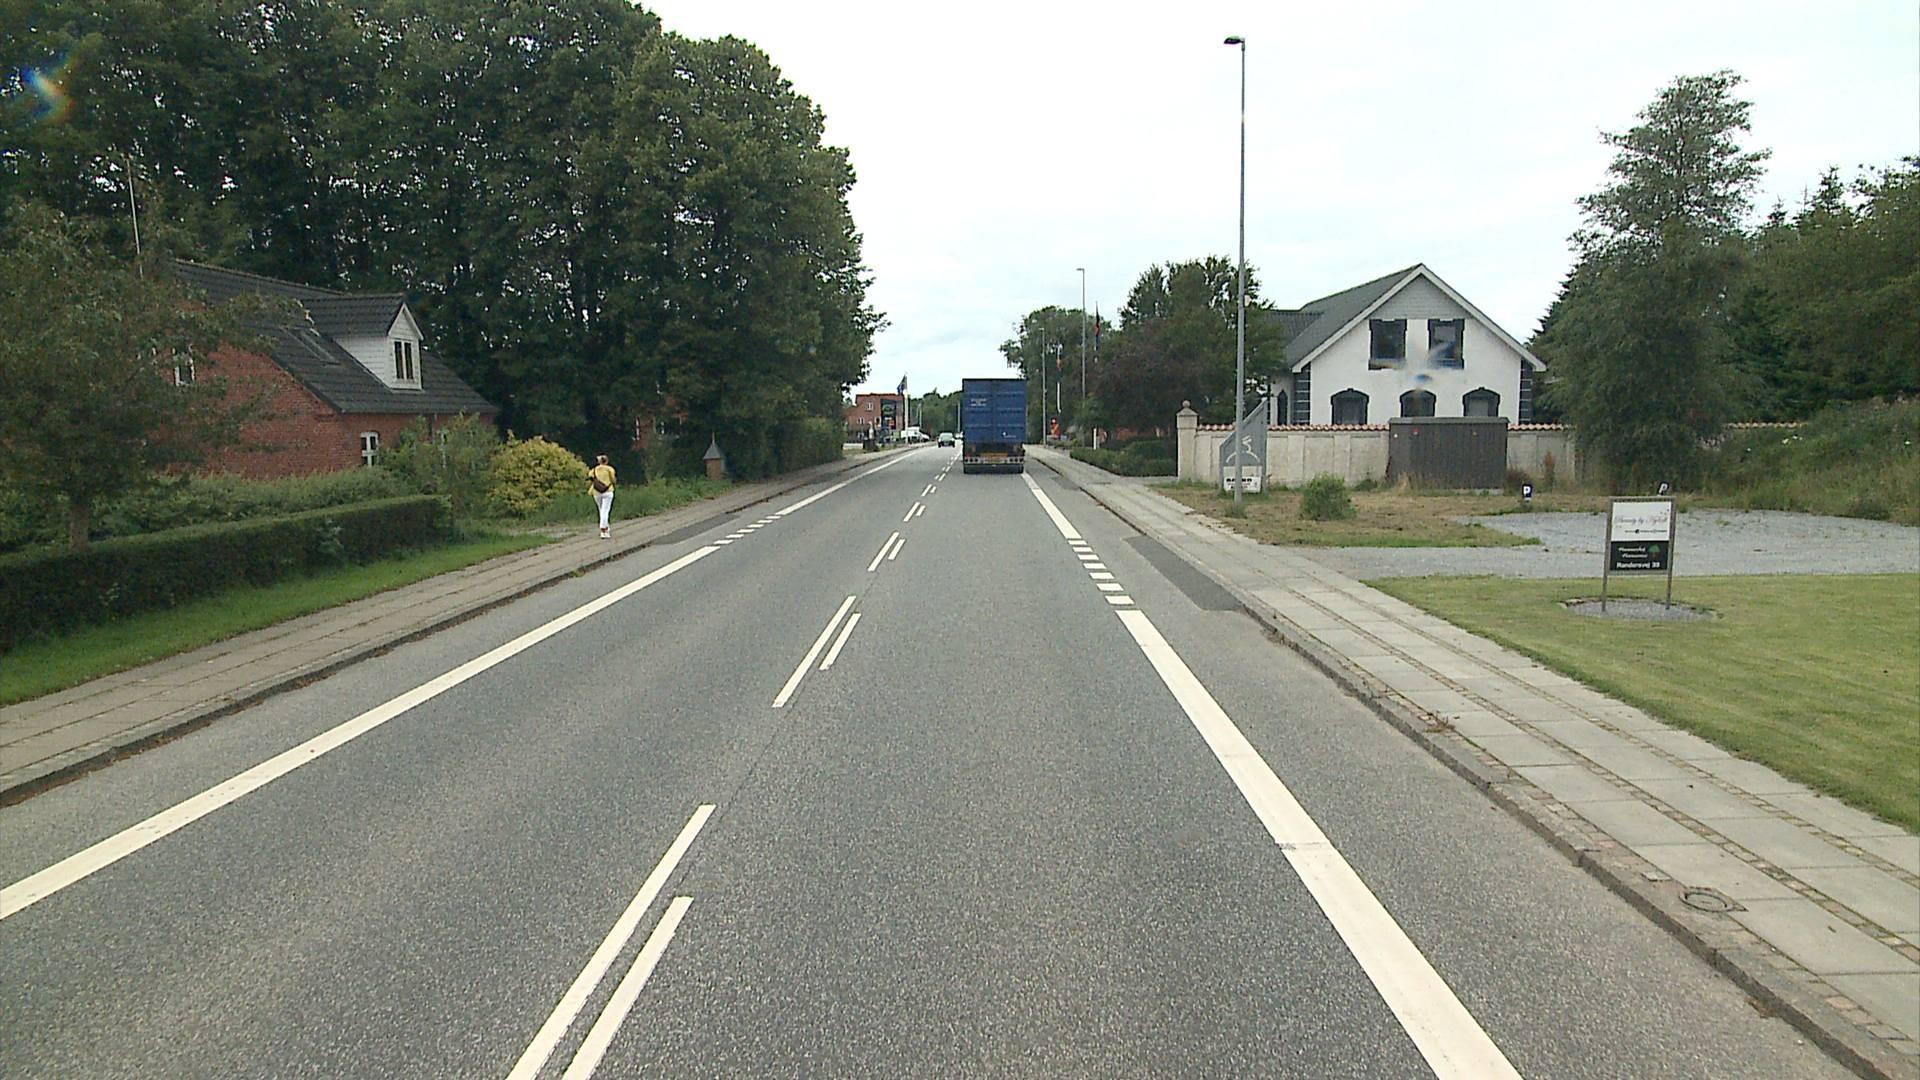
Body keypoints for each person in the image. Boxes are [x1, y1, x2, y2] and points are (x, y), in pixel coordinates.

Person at [587, 454, 616, 538]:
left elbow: (590, 477)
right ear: (606, 461)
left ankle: (606, 528)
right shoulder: (609, 469)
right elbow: (613, 479)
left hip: (596, 492)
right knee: (605, 510)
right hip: (608, 491)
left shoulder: (594, 469)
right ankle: (603, 529)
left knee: (601, 510)